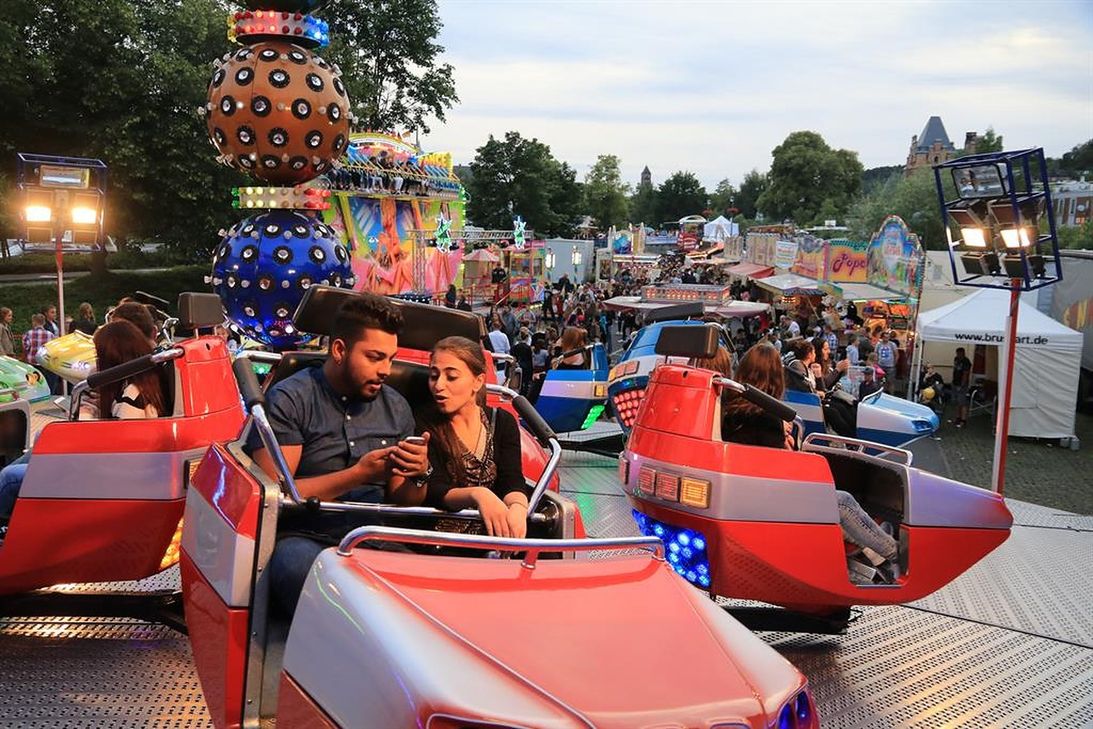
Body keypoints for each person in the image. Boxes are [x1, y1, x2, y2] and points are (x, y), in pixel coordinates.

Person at [248, 294, 430, 614]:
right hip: (305, 538)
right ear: (339, 350)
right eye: (375, 357)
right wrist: (358, 476)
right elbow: (274, 497)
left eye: (390, 358)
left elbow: (405, 501)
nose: (386, 370)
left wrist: (419, 473)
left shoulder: (396, 407)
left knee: (431, 591)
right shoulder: (292, 399)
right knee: (307, 573)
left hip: (375, 537)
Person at [721, 343, 899, 581]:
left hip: (745, 491)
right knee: (843, 501)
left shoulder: (730, 409)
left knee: (837, 506)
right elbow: (781, 465)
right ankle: (895, 552)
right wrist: (790, 443)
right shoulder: (768, 417)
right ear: (775, 377)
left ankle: (874, 555)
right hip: (768, 497)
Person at [0, 320, 167, 520]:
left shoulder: (130, 397)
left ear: (113, 356)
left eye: (99, 355)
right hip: (109, 465)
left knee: (9, 478)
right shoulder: (139, 384)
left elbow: (116, 451)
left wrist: (83, 422)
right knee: (41, 439)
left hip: (103, 474)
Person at [415, 336, 529, 537]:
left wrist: (518, 509)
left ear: (478, 381)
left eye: (451, 377)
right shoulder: (423, 423)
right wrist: (478, 495)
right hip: (439, 541)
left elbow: (512, 480)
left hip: (492, 537)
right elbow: (433, 489)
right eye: (434, 376)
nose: (439, 385)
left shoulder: (502, 422)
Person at [951, 346, 972, 428]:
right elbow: (955, 370)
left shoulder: (966, 362)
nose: (958, 355)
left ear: (963, 353)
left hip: (962, 385)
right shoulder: (956, 359)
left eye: (960, 353)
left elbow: (966, 374)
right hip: (955, 383)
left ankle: (963, 420)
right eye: (957, 353)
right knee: (957, 402)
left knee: (962, 402)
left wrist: (962, 385)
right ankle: (958, 418)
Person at [486, 317, 511, 383]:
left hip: (491, 358)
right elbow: (507, 348)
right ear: (500, 327)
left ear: (492, 327)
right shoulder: (504, 336)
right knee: (500, 376)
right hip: (501, 359)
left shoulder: (488, 335)